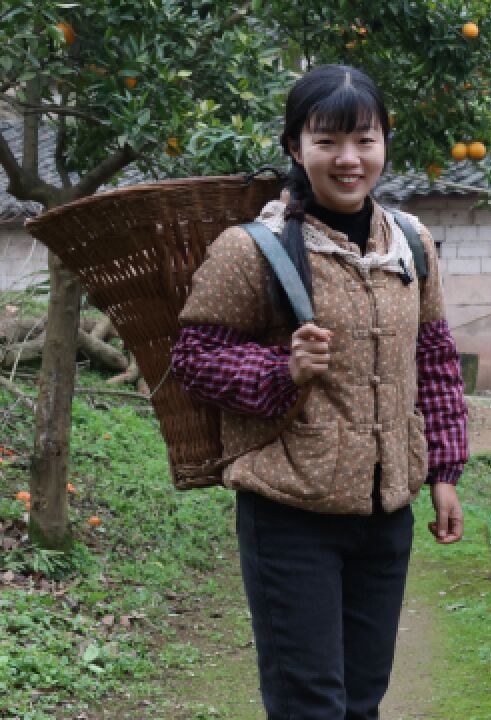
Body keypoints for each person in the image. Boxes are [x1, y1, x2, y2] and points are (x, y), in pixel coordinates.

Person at [170, 64, 468, 719]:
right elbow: (193, 358)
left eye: (364, 139)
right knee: (310, 705)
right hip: (290, 513)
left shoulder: (411, 245)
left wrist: (443, 468)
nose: (348, 158)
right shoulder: (254, 249)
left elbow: (436, 360)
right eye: (327, 140)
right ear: (295, 148)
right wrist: (282, 371)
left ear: (386, 141)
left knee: (362, 702)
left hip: (386, 513)